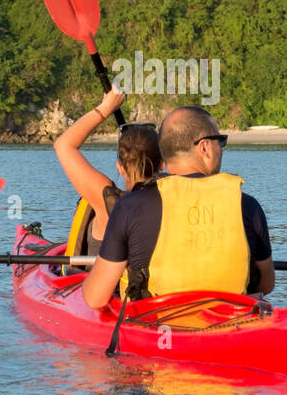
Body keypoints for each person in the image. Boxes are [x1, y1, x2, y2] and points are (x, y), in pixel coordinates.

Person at [81, 106, 274, 309]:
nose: (221, 149)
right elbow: (266, 284)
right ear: (205, 148)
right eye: (221, 142)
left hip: (155, 325)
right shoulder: (248, 206)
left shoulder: (130, 206)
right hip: (229, 324)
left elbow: (96, 298)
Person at [53, 88, 163, 258]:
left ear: (120, 166)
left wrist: (106, 107)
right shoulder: (171, 201)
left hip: (99, 282)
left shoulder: (107, 199)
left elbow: (63, 145)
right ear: (163, 164)